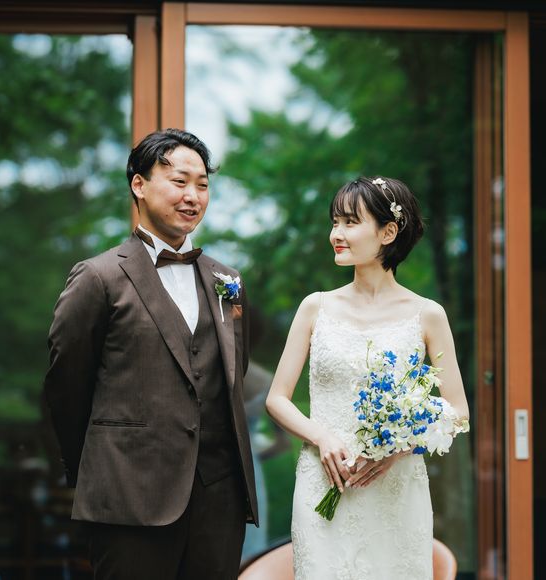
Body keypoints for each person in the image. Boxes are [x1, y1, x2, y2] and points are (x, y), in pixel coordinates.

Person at [43, 129, 257, 580]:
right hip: (128, 497)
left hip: (218, 502)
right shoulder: (98, 278)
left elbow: (232, 378)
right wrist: (100, 471)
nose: (193, 196)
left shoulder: (228, 281)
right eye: (179, 181)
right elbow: (66, 389)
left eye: (202, 185)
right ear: (139, 185)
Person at [266, 176, 469, 579]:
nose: (336, 234)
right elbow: (277, 398)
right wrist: (321, 437)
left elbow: (458, 412)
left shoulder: (427, 314)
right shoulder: (315, 308)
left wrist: (401, 447)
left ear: (388, 232)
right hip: (324, 480)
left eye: (349, 223)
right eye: (334, 223)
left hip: (396, 490)